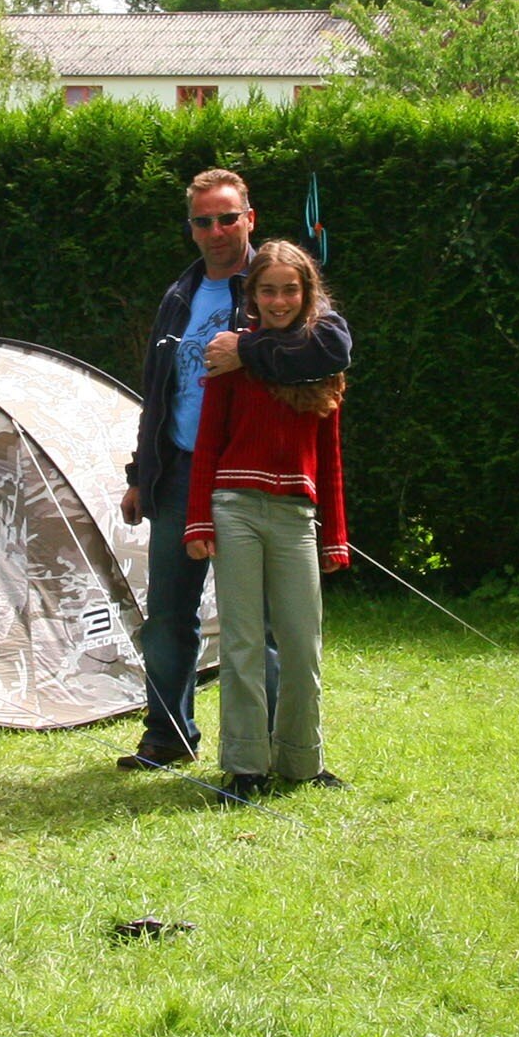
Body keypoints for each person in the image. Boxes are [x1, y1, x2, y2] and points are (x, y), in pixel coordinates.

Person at [119, 167, 351, 770]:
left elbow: (333, 348)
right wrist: (140, 474)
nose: (217, 230)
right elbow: (160, 389)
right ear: (191, 228)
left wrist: (243, 348)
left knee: (269, 627)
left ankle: (274, 745)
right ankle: (167, 736)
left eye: (228, 217)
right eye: (204, 221)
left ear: (250, 217)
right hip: (179, 475)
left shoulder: (275, 281)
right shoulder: (181, 295)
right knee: (169, 617)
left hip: (255, 478)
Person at [184, 239, 347, 798]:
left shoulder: (320, 361)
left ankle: (303, 761)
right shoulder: (229, 357)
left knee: (303, 643)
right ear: (252, 295)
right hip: (234, 510)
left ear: (307, 294)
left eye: (290, 290)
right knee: (243, 643)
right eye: (268, 290)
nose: (279, 301)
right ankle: (245, 766)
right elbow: (207, 445)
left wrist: (337, 536)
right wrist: (198, 522)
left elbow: (330, 460)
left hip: (296, 516)